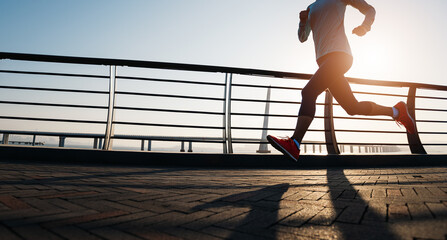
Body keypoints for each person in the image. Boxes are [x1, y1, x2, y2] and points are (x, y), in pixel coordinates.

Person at [267, 0, 416, 162]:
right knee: (352, 107)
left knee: (308, 92)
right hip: (324, 62)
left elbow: (369, 9)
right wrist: (303, 22)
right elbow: (303, 38)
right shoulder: (311, 7)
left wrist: (365, 27)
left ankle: (294, 143)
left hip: (340, 56)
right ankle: (397, 111)